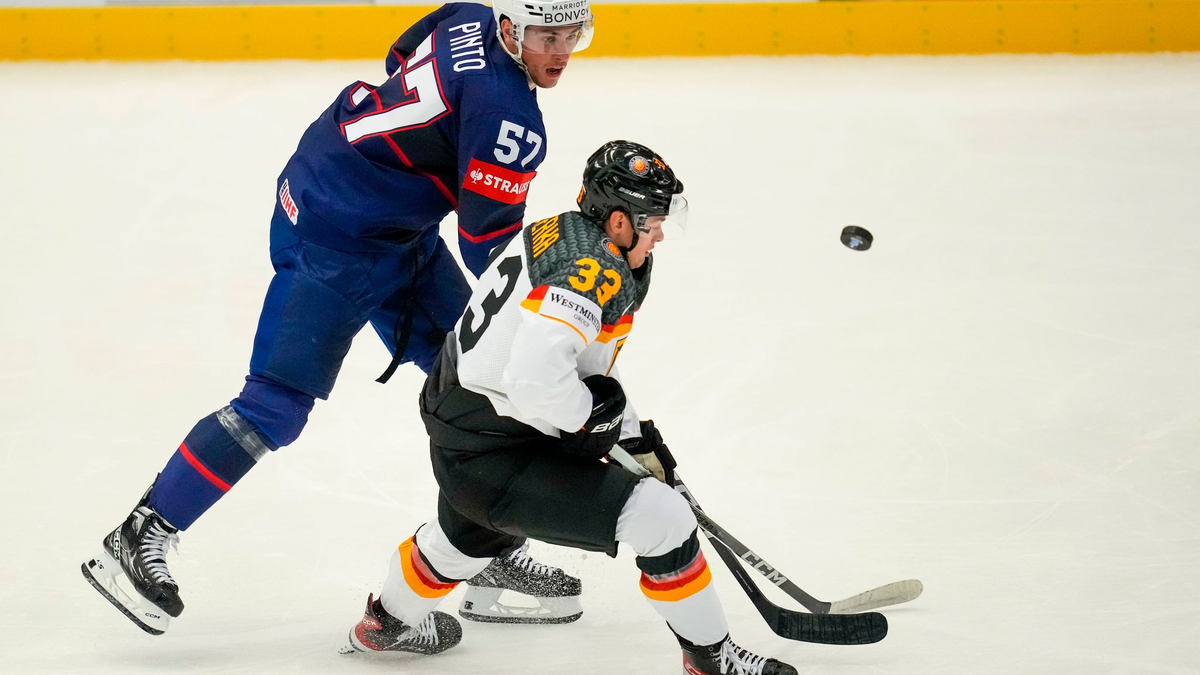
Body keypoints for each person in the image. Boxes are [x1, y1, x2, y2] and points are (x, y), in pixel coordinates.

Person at [81, 0, 598, 636]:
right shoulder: (509, 116)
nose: (561, 50)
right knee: (275, 403)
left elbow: (399, 56)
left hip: (376, 213)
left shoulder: (466, 13)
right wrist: (554, 313)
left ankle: (481, 551)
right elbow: (488, 246)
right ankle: (141, 532)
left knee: (474, 383)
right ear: (512, 30)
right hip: (335, 233)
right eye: (548, 34)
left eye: (572, 33)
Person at [341, 140, 798, 675]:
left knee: (467, 536)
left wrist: (629, 436)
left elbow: (574, 362)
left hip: (470, 427)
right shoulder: (591, 270)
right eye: (652, 222)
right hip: (496, 446)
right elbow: (536, 381)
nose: (660, 234)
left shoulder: (565, 231)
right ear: (620, 222)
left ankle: (386, 623)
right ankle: (711, 661)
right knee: (664, 520)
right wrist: (591, 421)